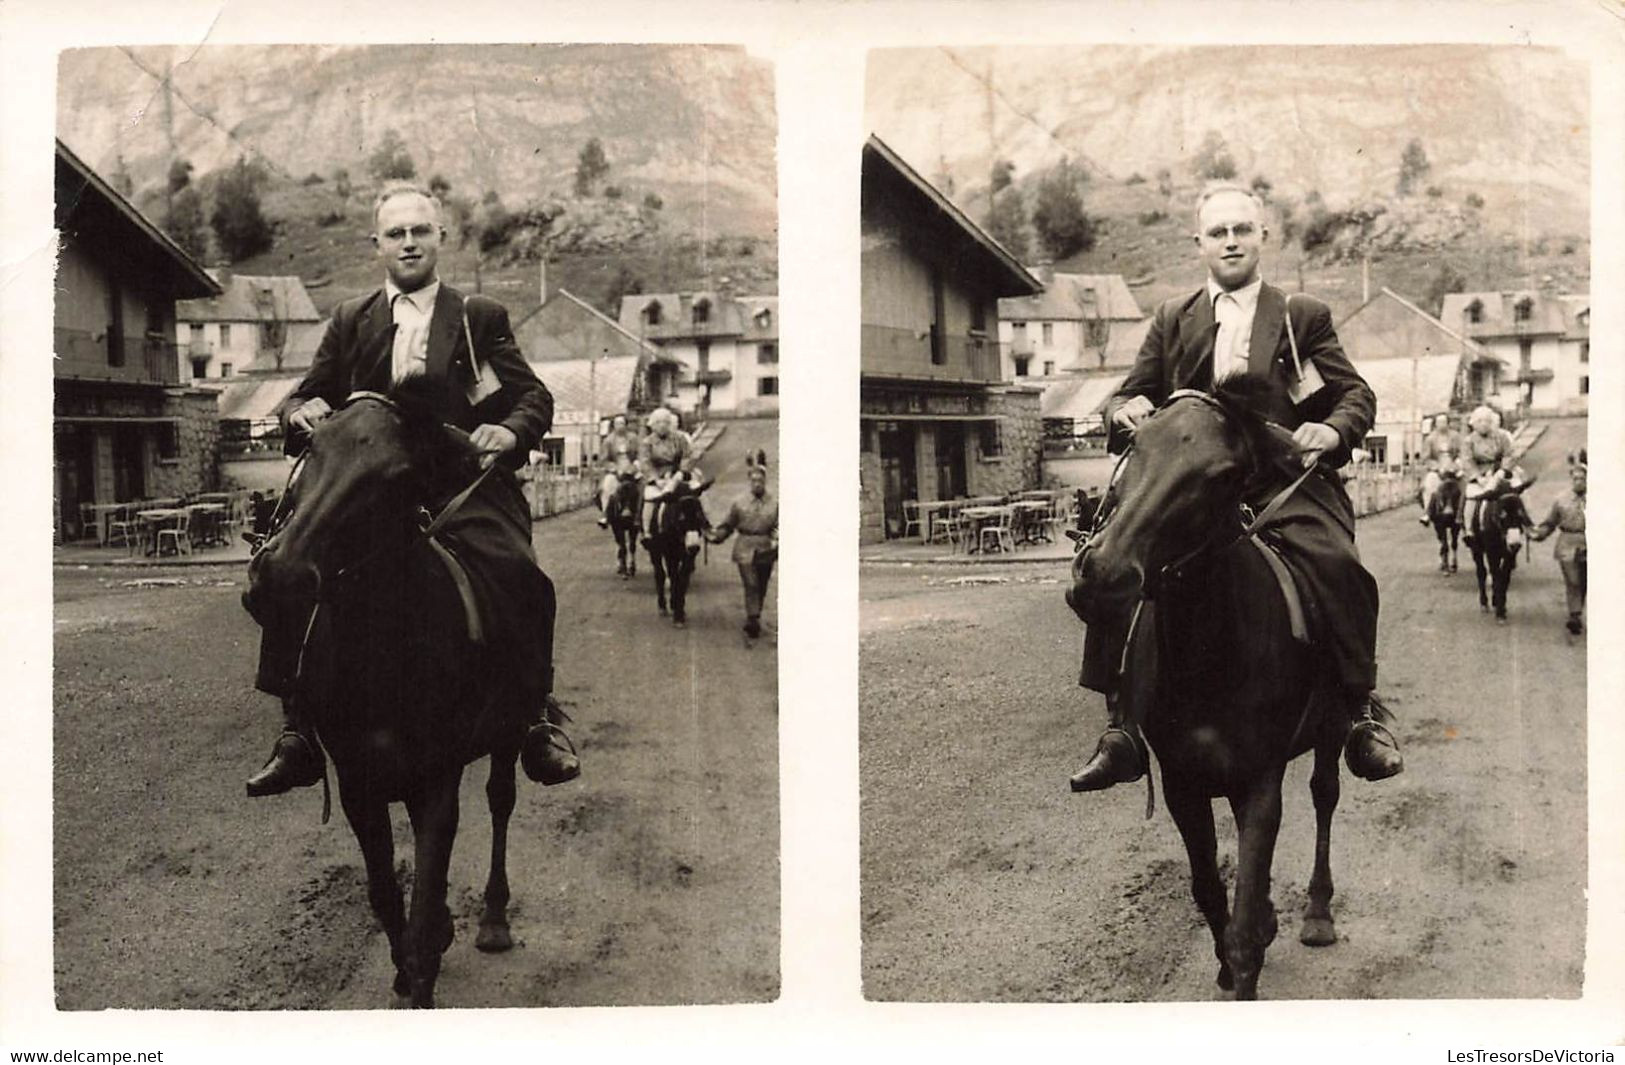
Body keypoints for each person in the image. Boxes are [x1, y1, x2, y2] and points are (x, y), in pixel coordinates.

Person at [246, 182, 579, 797]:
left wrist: (508, 432)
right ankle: (296, 729)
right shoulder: (351, 318)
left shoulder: (478, 318)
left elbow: (533, 395)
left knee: (521, 574)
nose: (408, 243)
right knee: (288, 560)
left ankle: (533, 718)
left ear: (440, 239)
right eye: (395, 233)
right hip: (368, 488)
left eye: (419, 231)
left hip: (459, 484)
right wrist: (300, 412)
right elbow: (306, 391)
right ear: (378, 245)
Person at [1070, 183, 1402, 793]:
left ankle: (1356, 710)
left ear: (1262, 238)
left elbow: (1356, 394)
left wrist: (1331, 431)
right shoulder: (1173, 318)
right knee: (1116, 555)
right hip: (1190, 487)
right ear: (1200, 243)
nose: (1231, 241)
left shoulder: (1302, 317)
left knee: (1338, 564)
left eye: (1242, 230)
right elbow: (1129, 391)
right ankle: (1120, 726)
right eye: (1218, 232)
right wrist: (1126, 410)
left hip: (1283, 481)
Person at [707, 452, 778, 639]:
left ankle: (756, 613)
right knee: (751, 583)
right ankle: (752, 618)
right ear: (749, 482)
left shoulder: (775, 503)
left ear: (765, 481)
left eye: (760, 481)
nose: (757, 484)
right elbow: (728, 525)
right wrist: (716, 536)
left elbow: (780, 525)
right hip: (744, 547)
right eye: (754, 481)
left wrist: (778, 536)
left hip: (766, 547)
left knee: (761, 584)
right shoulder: (739, 503)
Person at [1530, 461, 1587, 635]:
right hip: (1568, 543)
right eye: (1575, 478)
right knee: (1573, 580)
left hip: (1590, 541)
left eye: (1582, 479)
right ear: (1571, 480)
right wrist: (1538, 534)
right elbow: (1550, 522)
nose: (1578, 482)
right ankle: (1574, 616)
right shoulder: (1561, 500)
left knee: (1584, 581)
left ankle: (1577, 610)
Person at [638, 406, 697, 548]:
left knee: (696, 490)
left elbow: (687, 455)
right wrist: (655, 479)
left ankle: (704, 525)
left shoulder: (679, 438)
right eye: (659, 422)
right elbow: (645, 462)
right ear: (653, 425)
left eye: (665, 422)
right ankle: (646, 531)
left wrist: (681, 472)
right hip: (657, 477)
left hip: (678, 474)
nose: (662, 425)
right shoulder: (647, 442)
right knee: (648, 497)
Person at [1459, 405, 1517, 546]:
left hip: (1500, 471)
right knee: (1471, 496)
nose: (1484, 424)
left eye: (1486, 421)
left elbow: (1509, 454)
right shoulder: (1469, 441)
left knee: (1518, 488)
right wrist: (1478, 477)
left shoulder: (1501, 436)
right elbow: (1467, 460)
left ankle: (1526, 524)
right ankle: (1469, 529)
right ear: (1474, 423)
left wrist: (1503, 470)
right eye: (1480, 421)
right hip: (1480, 474)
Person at [1418, 413, 1464, 524]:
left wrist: (1456, 465)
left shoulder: (1456, 436)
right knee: (1429, 484)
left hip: (1454, 468)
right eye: (1439, 422)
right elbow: (1425, 458)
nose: (1442, 424)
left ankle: (1462, 514)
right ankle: (1427, 512)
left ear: (1448, 423)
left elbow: (1462, 453)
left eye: (1444, 422)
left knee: (1465, 485)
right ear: (1435, 424)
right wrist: (1437, 467)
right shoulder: (1430, 439)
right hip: (1437, 469)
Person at [597, 414, 639, 528]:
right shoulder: (608, 441)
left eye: (622, 423)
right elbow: (604, 460)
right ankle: (605, 514)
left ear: (626, 425)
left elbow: (640, 455)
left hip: (632, 469)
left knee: (643, 486)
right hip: (616, 470)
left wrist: (633, 467)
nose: (619, 426)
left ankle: (639, 516)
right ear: (613, 426)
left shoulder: (634, 438)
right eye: (617, 423)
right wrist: (615, 469)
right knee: (607, 486)